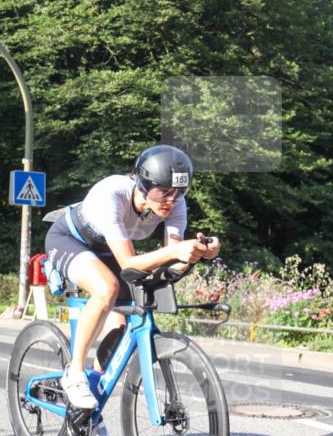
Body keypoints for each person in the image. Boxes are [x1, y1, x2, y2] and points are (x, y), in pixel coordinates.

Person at [45, 145, 221, 409]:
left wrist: (197, 253)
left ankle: (90, 397)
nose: (171, 200)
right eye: (164, 191)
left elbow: (169, 265)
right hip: (71, 239)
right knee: (106, 288)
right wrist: (175, 250)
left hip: (110, 250)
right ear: (143, 184)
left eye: (179, 192)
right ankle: (75, 373)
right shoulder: (112, 193)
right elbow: (128, 262)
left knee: (120, 330)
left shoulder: (175, 204)